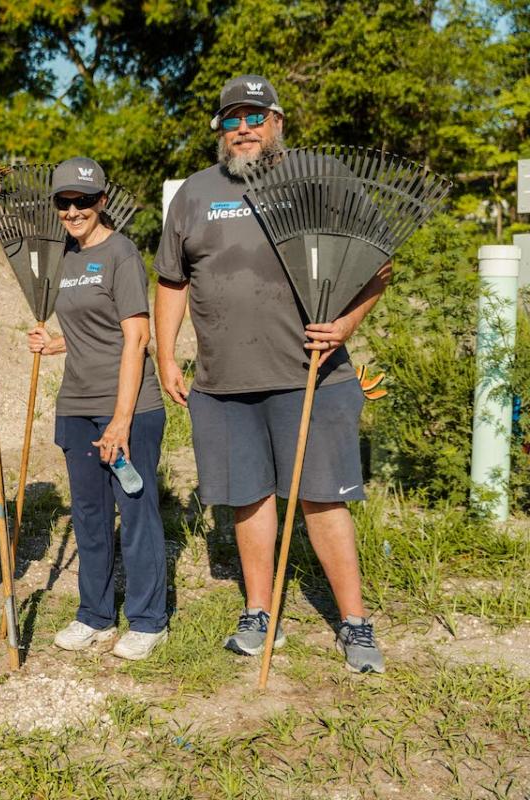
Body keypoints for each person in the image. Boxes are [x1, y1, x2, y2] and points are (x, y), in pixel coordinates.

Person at [154, 75, 389, 673]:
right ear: (220, 132)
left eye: (255, 117)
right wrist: (163, 354)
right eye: (231, 119)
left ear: (278, 122)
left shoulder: (319, 179)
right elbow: (171, 281)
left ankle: (355, 623)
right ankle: (261, 613)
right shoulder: (194, 195)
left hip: (310, 374)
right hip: (222, 381)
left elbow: (380, 262)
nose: (244, 129)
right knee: (247, 497)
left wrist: (346, 326)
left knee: (322, 500)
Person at [26, 157, 169, 660]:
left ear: (102, 202)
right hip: (76, 404)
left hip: (129, 409)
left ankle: (150, 620)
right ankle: (96, 615)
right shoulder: (63, 257)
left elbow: (136, 338)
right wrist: (57, 343)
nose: (72, 210)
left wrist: (121, 420)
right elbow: (96, 329)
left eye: (83, 201)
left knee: (135, 513)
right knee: (88, 516)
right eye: (64, 202)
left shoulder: (121, 253)